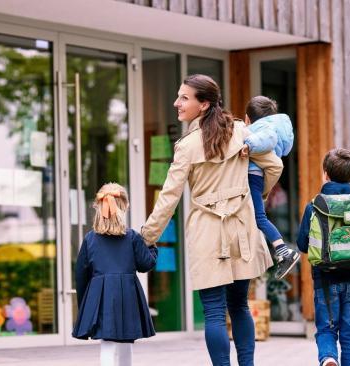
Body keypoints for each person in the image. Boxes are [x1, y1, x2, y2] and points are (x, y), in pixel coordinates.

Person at [141, 74, 276, 366]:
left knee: (214, 312)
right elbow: (274, 165)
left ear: (203, 105)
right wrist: (256, 197)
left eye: (184, 97)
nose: (177, 103)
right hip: (242, 228)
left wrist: (147, 236)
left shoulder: (187, 145)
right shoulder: (241, 132)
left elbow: (169, 197)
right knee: (239, 305)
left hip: (207, 231)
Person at [296, 148, 350, 366]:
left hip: (325, 282)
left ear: (325, 173)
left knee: (326, 329)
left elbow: (302, 244)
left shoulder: (315, 206)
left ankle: (328, 359)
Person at [72, 183, 158, 366]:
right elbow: (146, 264)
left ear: (98, 207)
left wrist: (84, 304)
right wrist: (151, 246)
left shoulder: (90, 239)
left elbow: (80, 274)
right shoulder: (133, 237)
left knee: (107, 345)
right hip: (127, 295)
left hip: (101, 296)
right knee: (126, 343)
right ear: (124, 207)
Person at [243, 96, 299, 280]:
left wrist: (247, 145)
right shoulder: (271, 125)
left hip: (253, 175)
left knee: (259, 218)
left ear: (247, 119)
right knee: (255, 217)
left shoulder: (264, 129)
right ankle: (280, 251)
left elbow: (269, 138)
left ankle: (283, 251)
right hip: (259, 175)